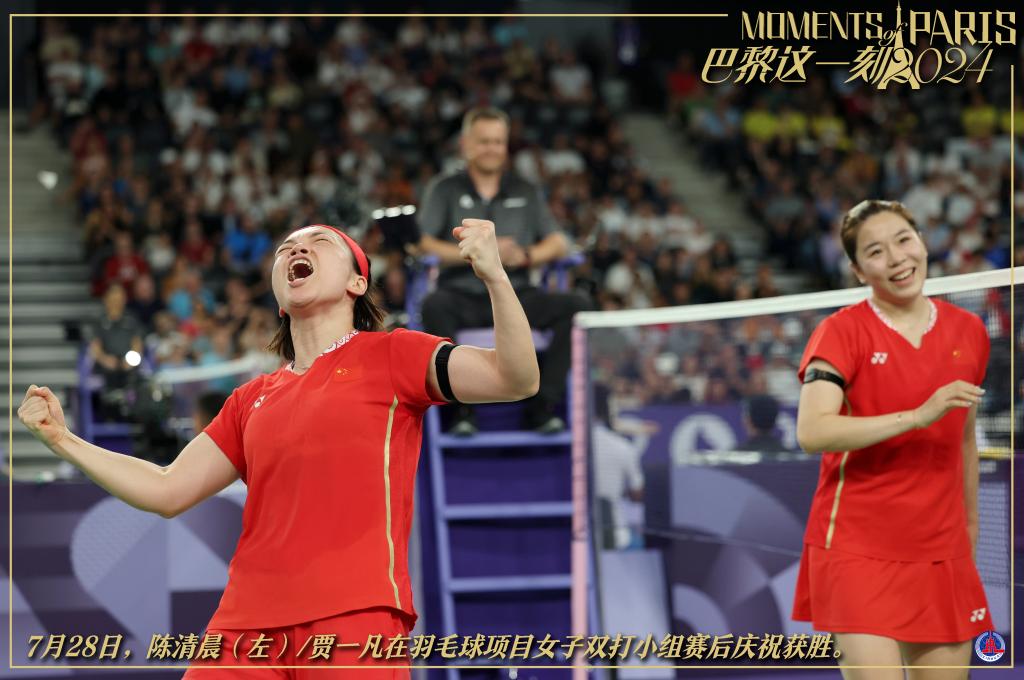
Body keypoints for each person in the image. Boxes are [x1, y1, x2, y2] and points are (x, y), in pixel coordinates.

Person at [19, 220, 539, 677]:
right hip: (244, 627)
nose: (297, 249)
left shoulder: (394, 353)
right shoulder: (249, 400)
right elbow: (166, 489)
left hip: (355, 615)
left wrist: (495, 275)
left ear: (358, 282)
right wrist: (63, 440)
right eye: (286, 248)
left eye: (319, 242)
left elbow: (514, 378)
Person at [792, 200, 991, 678]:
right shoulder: (841, 332)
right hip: (857, 547)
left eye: (904, 240)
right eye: (876, 251)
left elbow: (963, 441)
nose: (897, 258)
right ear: (859, 271)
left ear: (922, 241)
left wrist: (969, 529)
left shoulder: (969, 330)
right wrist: (917, 417)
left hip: (942, 548)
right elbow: (813, 431)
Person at [418, 106, 591, 435]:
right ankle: (462, 412)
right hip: (461, 295)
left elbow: (559, 242)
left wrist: (525, 256)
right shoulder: (444, 188)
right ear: (466, 144)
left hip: (516, 297)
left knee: (576, 305)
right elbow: (421, 243)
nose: (492, 148)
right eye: (483, 141)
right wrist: (476, 253)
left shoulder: (525, 189)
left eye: (498, 142)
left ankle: (542, 407)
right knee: (432, 306)